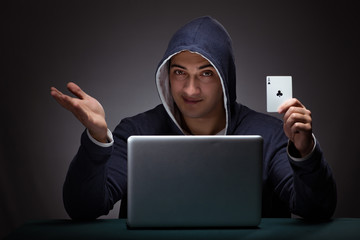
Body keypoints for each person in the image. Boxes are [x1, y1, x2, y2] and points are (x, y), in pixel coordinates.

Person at [50, 16, 337, 220]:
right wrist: (97, 141)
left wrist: (305, 150)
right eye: (179, 72)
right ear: (166, 76)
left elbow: (316, 209)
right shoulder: (135, 130)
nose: (190, 89)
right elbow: (82, 209)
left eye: (206, 73)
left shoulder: (272, 134)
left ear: (226, 78)